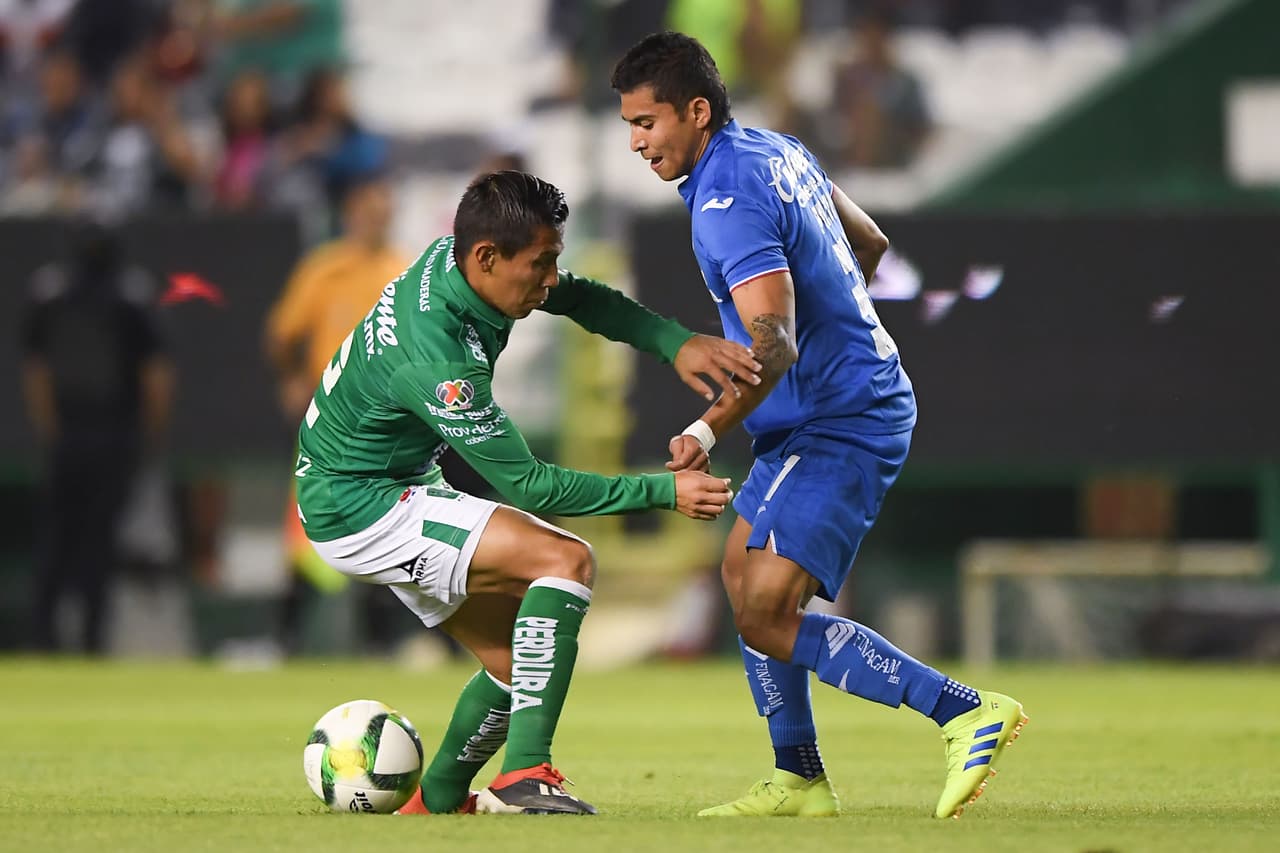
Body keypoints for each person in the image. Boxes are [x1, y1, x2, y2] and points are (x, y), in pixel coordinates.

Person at [611, 32, 1027, 820]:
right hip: (824, 407)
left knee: (767, 608)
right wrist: (833, 324)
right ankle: (798, 778)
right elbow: (867, 241)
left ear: (696, 112)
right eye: (628, 125)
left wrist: (703, 430)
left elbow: (775, 344)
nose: (636, 142)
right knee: (741, 576)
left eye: (648, 122)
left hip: (842, 418)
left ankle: (964, 709)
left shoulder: (726, 202)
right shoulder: (777, 149)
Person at [294, 170, 759, 815]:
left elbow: (580, 298)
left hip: (384, 481)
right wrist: (662, 491)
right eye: (540, 265)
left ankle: (439, 799)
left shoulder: (460, 261)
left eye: (553, 261)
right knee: (564, 561)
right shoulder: (437, 357)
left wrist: (671, 341)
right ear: (487, 258)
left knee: (521, 665)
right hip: (361, 503)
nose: (548, 280)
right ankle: (524, 773)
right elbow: (529, 483)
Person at [265, 173, 409, 649]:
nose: (377, 219)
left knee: (387, 530)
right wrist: (290, 378)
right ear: (351, 213)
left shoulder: (403, 271)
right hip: (329, 424)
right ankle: (284, 641)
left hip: (386, 425)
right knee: (306, 531)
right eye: (369, 210)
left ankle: (382, 647)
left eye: (383, 211)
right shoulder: (324, 270)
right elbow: (282, 333)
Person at [21, 219, 173, 654]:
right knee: (95, 541)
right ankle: (87, 640)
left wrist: (49, 428)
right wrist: (150, 434)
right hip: (112, 434)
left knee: (61, 539)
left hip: (72, 434)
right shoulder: (129, 295)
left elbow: (36, 372)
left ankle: (45, 639)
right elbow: (157, 374)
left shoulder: (50, 292)